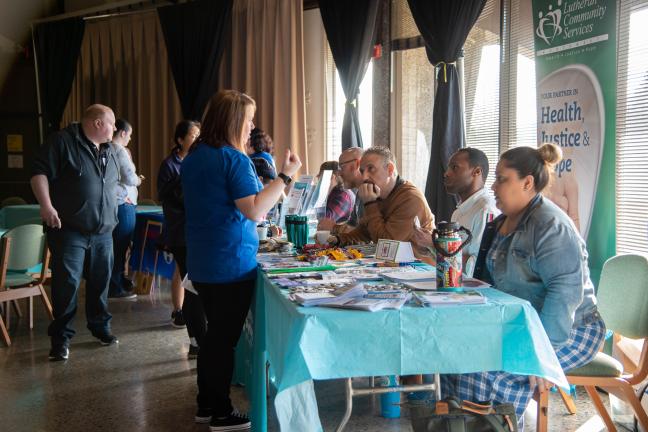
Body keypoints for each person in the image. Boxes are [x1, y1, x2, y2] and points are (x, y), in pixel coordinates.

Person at [441, 144, 605, 430]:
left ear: (527, 183)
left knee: (492, 372)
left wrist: (542, 355)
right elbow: (488, 284)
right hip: (522, 325)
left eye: (502, 179)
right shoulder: (500, 224)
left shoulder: (550, 226)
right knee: (455, 356)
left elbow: (565, 295)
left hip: (571, 330)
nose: (493, 187)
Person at [182, 90, 301, 431]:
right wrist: (287, 174)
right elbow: (255, 209)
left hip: (204, 260)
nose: (251, 127)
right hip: (229, 262)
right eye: (248, 120)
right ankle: (220, 412)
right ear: (233, 120)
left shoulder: (195, 155)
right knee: (223, 340)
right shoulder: (232, 159)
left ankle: (206, 405)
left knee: (212, 337)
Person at [31, 104, 120, 361]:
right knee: (66, 285)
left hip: (103, 231)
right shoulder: (62, 142)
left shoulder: (111, 150)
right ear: (97, 124)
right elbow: (39, 173)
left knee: (101, 281)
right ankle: (61, 339)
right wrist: (46, 206)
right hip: (70, 230)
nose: (115, 128)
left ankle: (100, 327)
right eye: (111, 123)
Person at [157, 119, 206, 358]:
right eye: (193, 135)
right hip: (181, 234)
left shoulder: (198, 162)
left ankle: (199, 337)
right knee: (191, 284)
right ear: (180, 139)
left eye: (199, 135)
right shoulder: (170, 166)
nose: (197, 139)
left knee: (196, 284)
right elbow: (172, 203)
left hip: (197, 235)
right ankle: (195, 339)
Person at [328, 146, 435, 253]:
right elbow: (364, 233)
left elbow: (387, 245)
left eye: (371, 169)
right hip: (392, 265)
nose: (364, 177)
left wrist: (370, 203)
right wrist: (338, 240)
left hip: (420, 266)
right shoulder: (378, 194)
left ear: (390, 169)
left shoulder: (410, 198)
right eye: (362, 171)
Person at [412, 147, 499, 276]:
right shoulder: (458, 212)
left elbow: (480, 266)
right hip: (454, 284)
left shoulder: (485, 210)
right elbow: (452, 259)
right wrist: (428, 245)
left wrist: (436, 244)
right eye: (448, 168)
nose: (446, 173)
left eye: (455, 167)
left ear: (477, 172)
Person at [108, 119, 143, 300]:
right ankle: (116, 288)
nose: (129, 139)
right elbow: (129, 178)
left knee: (114, 247)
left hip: (113, 203)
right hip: (123, 203)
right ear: (122, 133)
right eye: (129, 135)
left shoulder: (104, 148)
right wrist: (138, 180)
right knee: (120, 246)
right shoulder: (119, 150)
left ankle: (116, 284)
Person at [318, 147, 364, 232]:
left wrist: (334, 228)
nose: (338, 173)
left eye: (341, 167)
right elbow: (352, 225)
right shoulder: (360, 193)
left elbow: (368, 235)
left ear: (357, 164)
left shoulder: (344, 195)